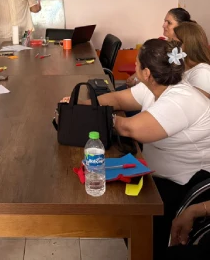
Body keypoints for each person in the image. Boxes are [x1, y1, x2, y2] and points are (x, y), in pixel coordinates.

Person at [61, 39, 210, 258]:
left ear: (146, 72)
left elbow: (129, 128)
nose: (135, 67)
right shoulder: (157, 85)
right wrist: (82, 106)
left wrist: (91, 116)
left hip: (186, 185)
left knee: (132, 217)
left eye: (137, 63)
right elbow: (119, 99)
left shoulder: (180, 100)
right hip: (160, 173)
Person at [124, 7, 195, 88]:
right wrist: (135, 77)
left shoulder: (183, 52)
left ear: (181, 26)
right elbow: (147, 65)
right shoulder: (163, 44)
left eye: (169, 23)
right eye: (165, 21)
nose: (163, 25)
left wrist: (138, 82)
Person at [173, 21, 210, 98]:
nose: (171, 47)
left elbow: (197, 103)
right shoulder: (182, 69)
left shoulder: (202, 72)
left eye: (175, 43)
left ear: (188, 45)